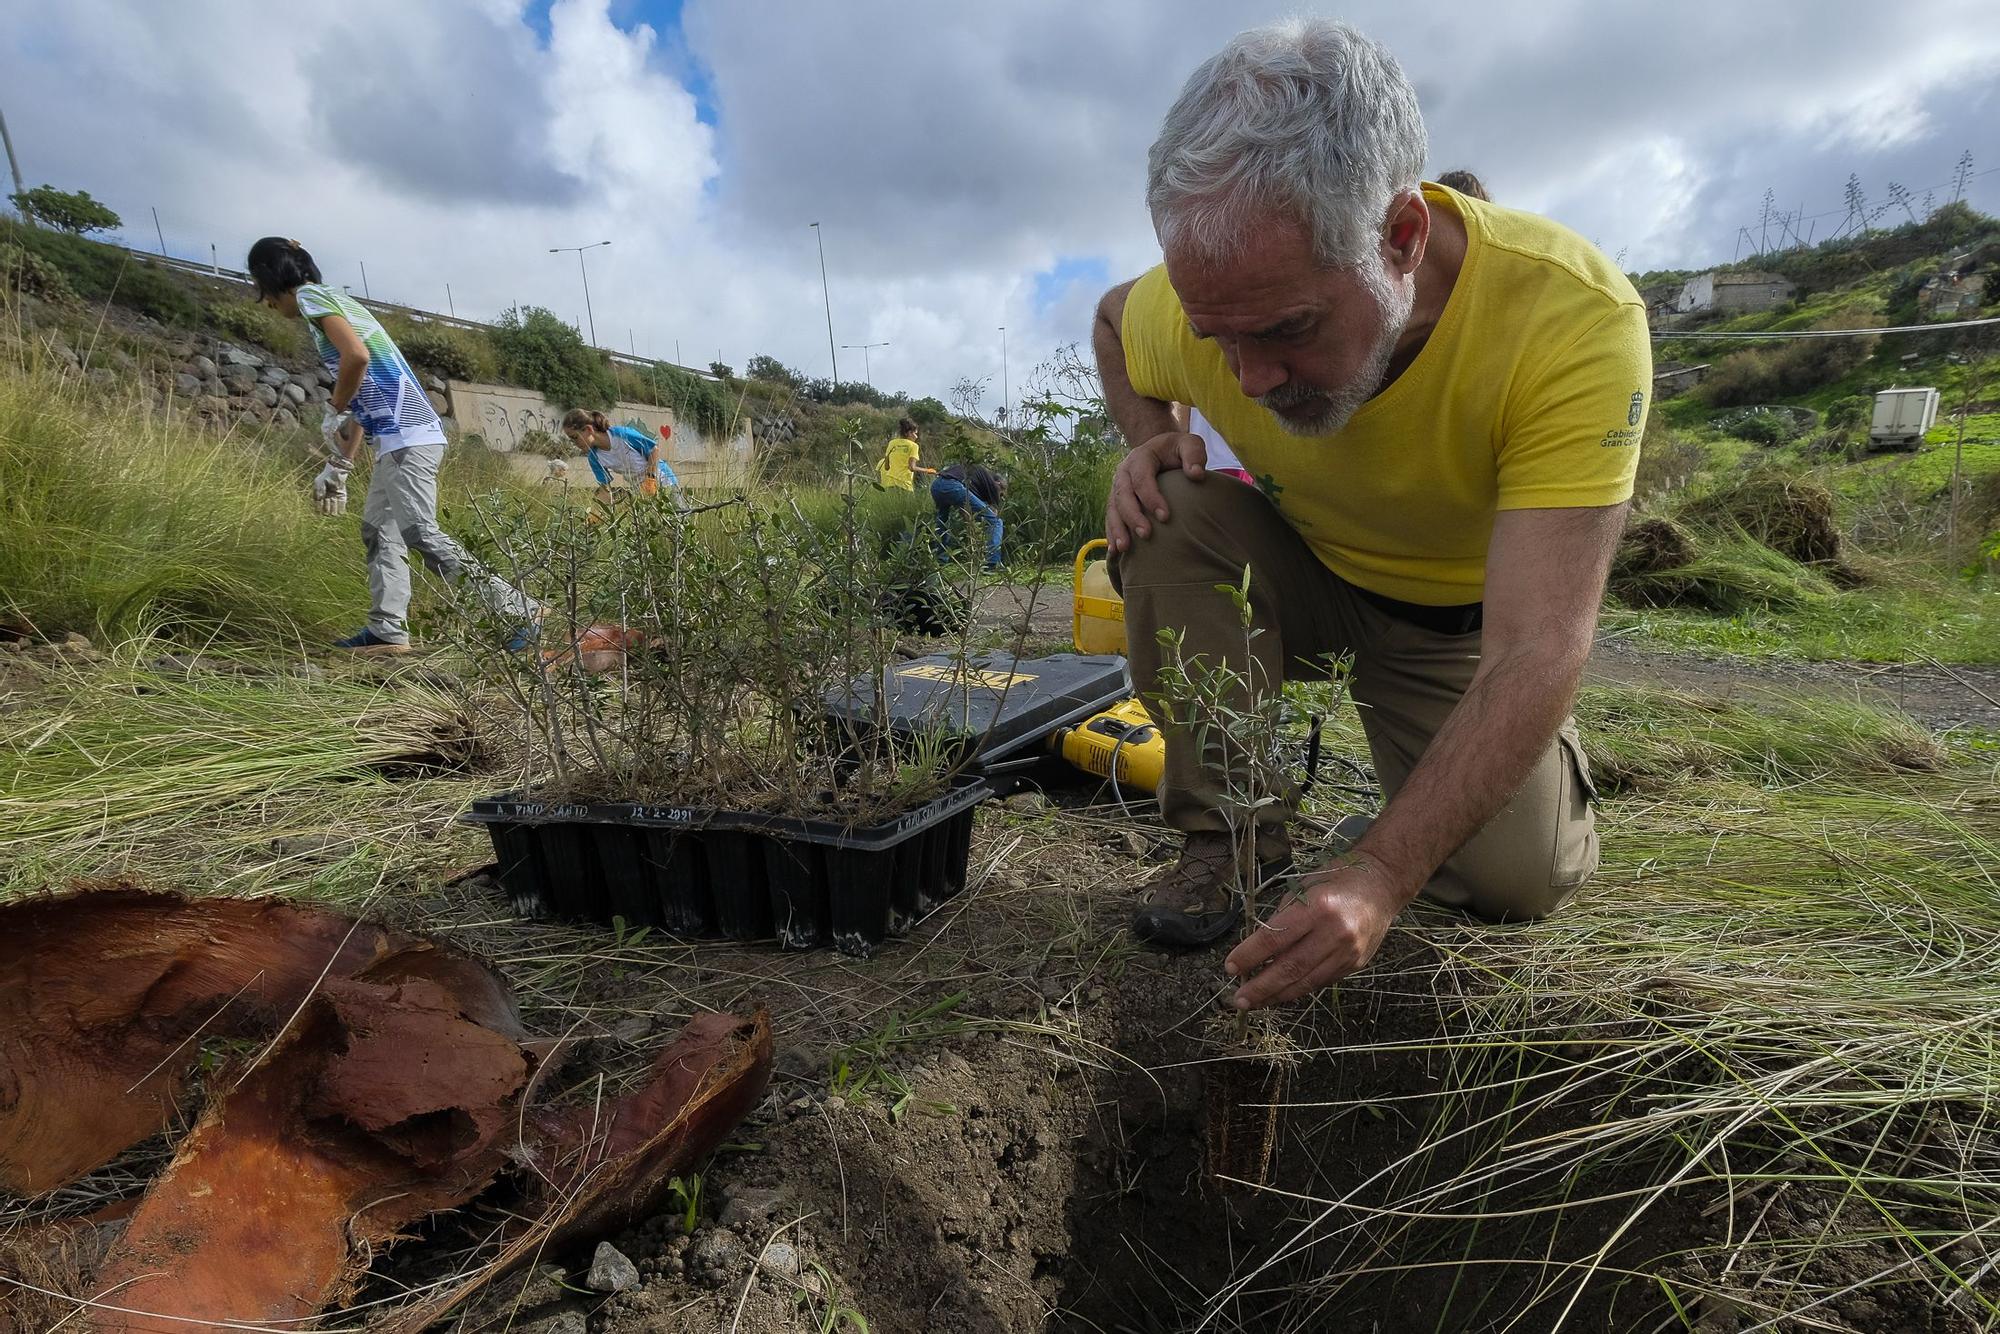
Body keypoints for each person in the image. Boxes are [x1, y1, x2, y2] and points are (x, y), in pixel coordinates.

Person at [1092, 21, 1648, 1007]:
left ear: (1400, 237)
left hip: (1454, 622)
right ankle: (1230, 836)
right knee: (1169, 506)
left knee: (1520, 880)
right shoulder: (1208, 299)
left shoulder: (1569, 322)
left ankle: (1406, 817)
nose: (1251, 379)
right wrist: (1146, 435)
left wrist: (1381, 873)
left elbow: (1536, 648)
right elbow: (1108, 319)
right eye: (1218, 338)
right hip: (1300, 571)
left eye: (1286, 330)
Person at [248, 237, 539, 654]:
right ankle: (387, 630)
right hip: (397, 439)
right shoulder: (332, 302)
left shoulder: (312, 297)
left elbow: (357, 358)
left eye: (259, 287)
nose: (266, 303)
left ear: (271, 279)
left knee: (419, 531)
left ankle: (517, 609)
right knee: (379, 531)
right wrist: (340, 466)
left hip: (410, 438)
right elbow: (367, 397)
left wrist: (334, 406)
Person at [560, 409, 679, 508]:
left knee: (680, 522)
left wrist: (650, 480)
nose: (574, 443)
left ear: (589, 429)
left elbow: (654, 450)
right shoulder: (594, 457)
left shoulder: (621, 434)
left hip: (665, 481)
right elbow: (605, 491)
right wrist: (596, 514)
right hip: (641, 493)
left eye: (575, 437)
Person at [931, 460, 1005, 570]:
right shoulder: (992, 485)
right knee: (996, 522)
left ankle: (941, 561)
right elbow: (993, 513)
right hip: (953, 486)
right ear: (998, 484)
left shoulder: (976, 478)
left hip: (936, 485)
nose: (1001, 496)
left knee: (943, 523)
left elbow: (966, 510)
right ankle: (992, 563)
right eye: (1002, 493)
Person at [877, 417, 937, 491]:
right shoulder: (914, 446)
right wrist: (928, 470)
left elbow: (886, 467)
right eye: (915, 433)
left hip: (890, 484)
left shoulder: (892, 443)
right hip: (904, 485)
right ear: (909, 433)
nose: (916, 436)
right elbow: (912, 468)